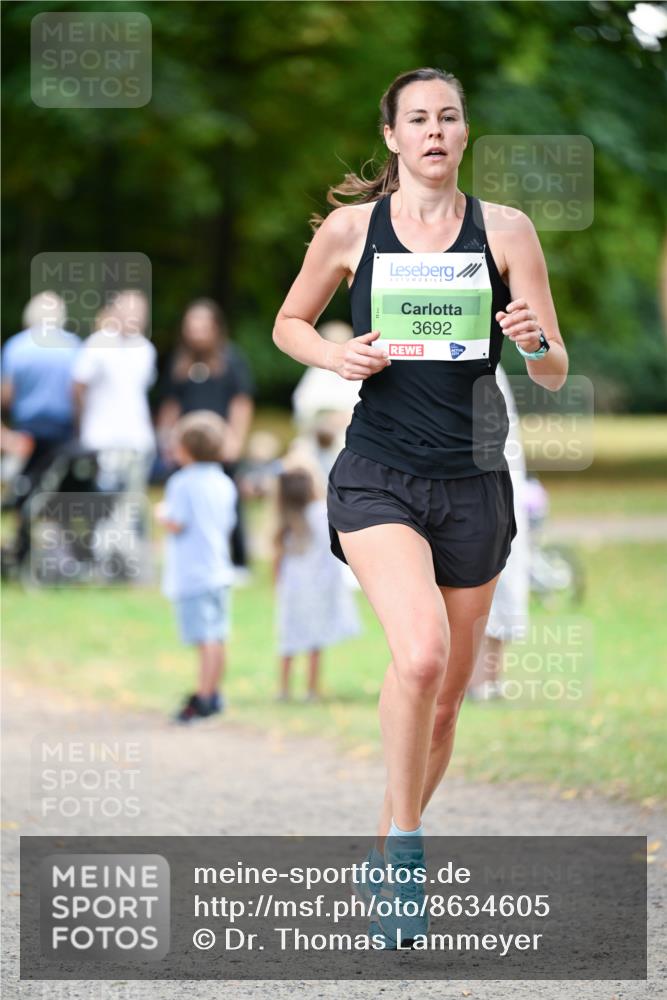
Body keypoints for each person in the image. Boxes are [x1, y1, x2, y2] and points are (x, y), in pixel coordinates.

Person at [273, 67, 568, 947]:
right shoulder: (350, 230)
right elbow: (290, 323)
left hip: (473, 480)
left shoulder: (505, 232)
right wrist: (336, 359)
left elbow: (553, 365)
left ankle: (380, 847)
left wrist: (533, 341)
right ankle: (406, 858)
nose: (434, 131)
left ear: (463, 134)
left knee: (445, 699)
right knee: (420, 657)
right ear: (394, 137)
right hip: (378, 474)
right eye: (417, 119)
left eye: (448, 117)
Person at [156, 298, 255, 578]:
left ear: (215, 327)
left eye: (203, 325)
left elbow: (241, 402)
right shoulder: (179, 363)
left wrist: (235, 439)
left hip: (219, 444)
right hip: (188, 446)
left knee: (230, 500)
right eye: (192, 325)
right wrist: (167, 438)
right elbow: (171, 404)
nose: (197, 331)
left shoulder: (231, 360)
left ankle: (237, 561)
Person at [156, 410, 237, 723]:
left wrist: (161, 514)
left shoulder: (182, 483)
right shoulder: (223, 482)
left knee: (204, 639)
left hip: (194, 572)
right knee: (217, 636)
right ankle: (213, 692)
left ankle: (202, 697)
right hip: (219, 569)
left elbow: (177, 522)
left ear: (185, 449)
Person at [1, 291, 80, 566]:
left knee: (24, 491)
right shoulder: (73, 346)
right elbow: (79, 392)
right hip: (64, 432)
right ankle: (63, 556)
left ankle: (22, 550)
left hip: (28, 432)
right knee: (59, 493)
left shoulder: (16, 347)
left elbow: (7, 394)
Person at [467, 364, 530, 700]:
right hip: (469, 490)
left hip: (500, 486)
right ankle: (475, 680)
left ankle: (491, 678)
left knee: (503, 585)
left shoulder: (490, 370)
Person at [272, 467, 361, 702]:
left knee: (289, 637)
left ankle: (283, 689)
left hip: (293, 588)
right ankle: (311, 689)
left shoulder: (286, 519)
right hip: (318, 586)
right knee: (314, 641)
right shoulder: (321, 513)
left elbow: (278, 560)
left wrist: (277, 583)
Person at [72, 289, 157, 492]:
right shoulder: (97, 344)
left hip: (137, 438)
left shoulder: (146, 349)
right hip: (102, 436)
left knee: (132, 497)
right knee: (105, 495)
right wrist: (82, 422)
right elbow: (78, 387)